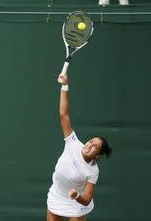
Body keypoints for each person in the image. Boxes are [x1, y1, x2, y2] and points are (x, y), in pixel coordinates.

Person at [47, 73, 112, 221]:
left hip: (77, 203)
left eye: (95, 146)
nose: (89, 145)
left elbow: (87, 198)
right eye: (91, 141)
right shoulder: (73, 142)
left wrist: (77, 196)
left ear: (98, 155)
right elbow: (64, 114)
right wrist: (65, 85)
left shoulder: (93, 171)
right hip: (57, 194)